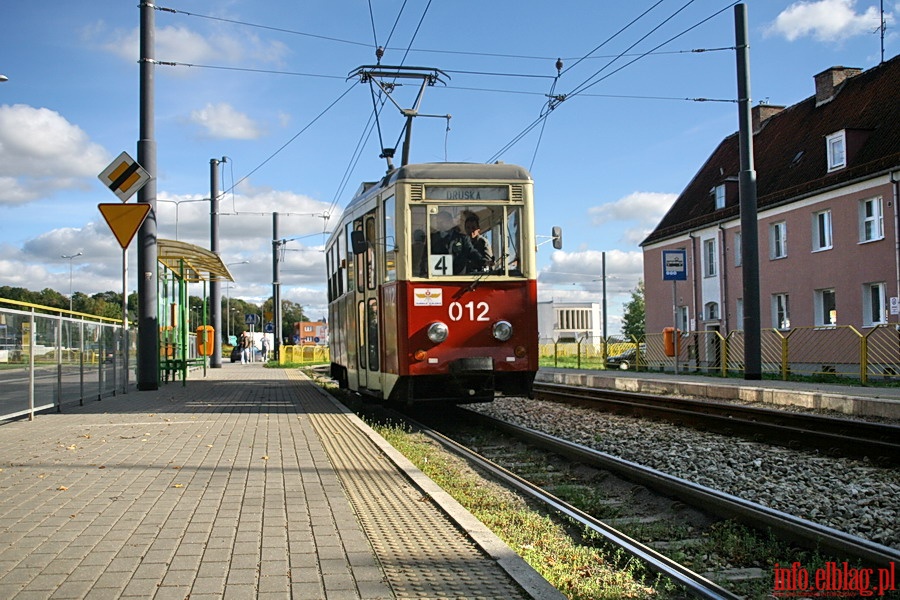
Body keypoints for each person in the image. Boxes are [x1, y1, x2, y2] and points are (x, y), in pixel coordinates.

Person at [429, 211, 478, 275]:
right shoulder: (432, 238)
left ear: (450, 222)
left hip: (458, 278)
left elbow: (471, 252)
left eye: (442, 221)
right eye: (438, 222)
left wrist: (484, 261)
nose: (439, 224)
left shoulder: (463, 239)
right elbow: (425, 258)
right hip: (437, 278)